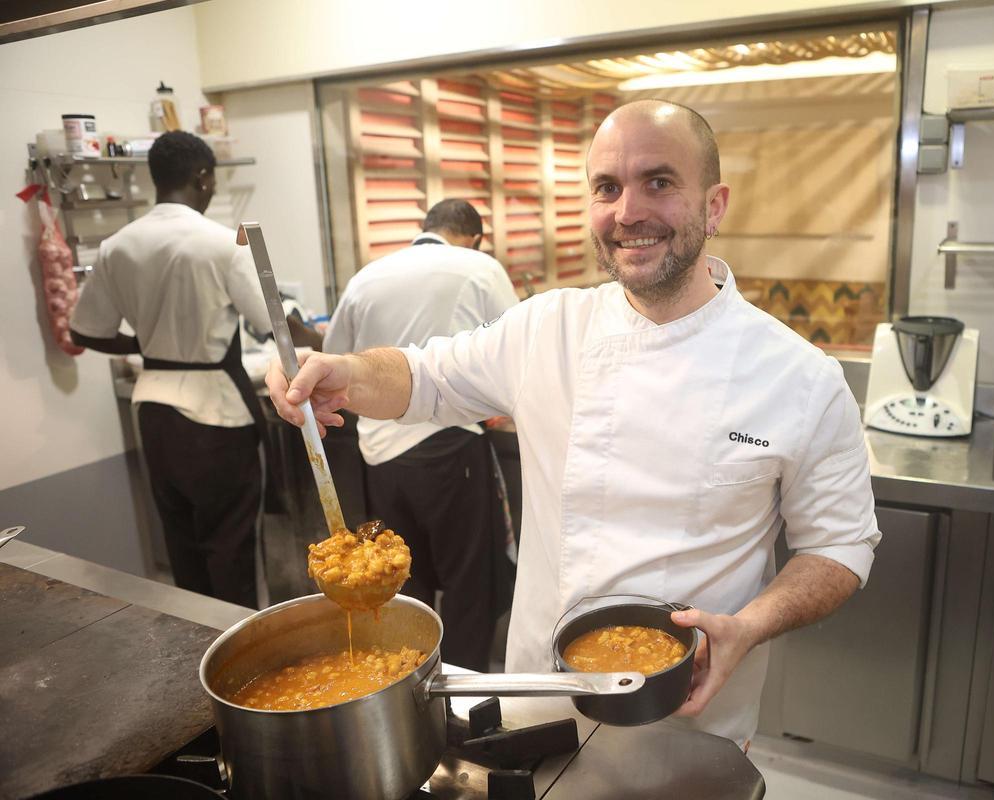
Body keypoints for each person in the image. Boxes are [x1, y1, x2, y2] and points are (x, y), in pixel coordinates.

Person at [267, 100, 881, 747]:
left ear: (715, 205)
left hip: (692, 717)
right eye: (607, 188)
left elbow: (838, 546)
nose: (628, 213)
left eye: (660, 183)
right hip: (540, 702)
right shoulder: (547, 328)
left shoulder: (800, 377)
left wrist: (751, 625)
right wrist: (344, 372)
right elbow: (425, 377)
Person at [70, 131, 270, 608]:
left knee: (184, 550)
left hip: (154, 410)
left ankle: (195, 663)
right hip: (216, 416)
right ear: (203, 178)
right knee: (231, 551)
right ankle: (242, 671)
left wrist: (142, 342)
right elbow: (272, 326)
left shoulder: (117, 246)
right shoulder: (225, 243)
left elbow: (84, 332)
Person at [321, 199, 519, 671]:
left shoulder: (367, 277)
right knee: (469, 586)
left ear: (426, 229)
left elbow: (333, 358)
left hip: (380, 457)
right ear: (474, 236)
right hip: (452, 452)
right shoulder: (479, 267)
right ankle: (465, 697)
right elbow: (518, 355)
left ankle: (408, 684)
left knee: (403, 582)